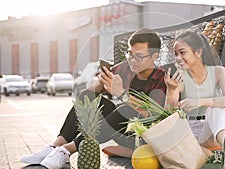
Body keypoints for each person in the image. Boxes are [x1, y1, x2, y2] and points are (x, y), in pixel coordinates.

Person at [21, 28, 167, 169]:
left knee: (126, 109)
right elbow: (90, 88)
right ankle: (55, 147)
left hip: (143, 138)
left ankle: (67, 150)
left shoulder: (162, 78)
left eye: (139, 56)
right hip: (119, 130)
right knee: (88, 97)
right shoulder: (124, 68)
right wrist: (100, 81)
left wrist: (122, 94)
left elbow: (155, 114)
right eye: (130, 54)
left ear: (154, 56)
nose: (133, 60)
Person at [164, 31, 225, 169]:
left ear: (198, 52)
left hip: (212, 130)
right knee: (173, 145)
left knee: (215, 108)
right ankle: (221, 155)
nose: (178, 58)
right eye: (176, 54)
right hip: (190, 132)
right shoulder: (179, 77)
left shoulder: (218, 71)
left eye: (182, 53)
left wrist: (199, 101)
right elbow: (168, 113)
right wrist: (171, 90)